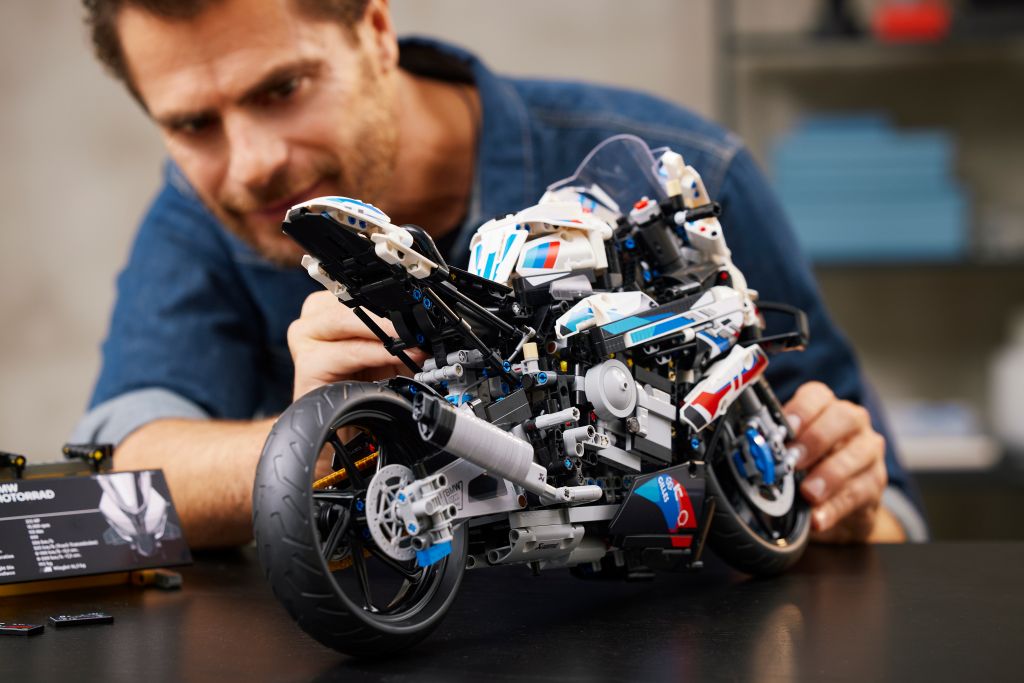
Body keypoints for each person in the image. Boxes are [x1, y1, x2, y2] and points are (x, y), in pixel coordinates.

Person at [75, 0, 927, 548]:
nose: (252, 162)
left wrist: (842, 503)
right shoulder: (210, 212)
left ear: (376, 32)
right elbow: (122, 477)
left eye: (282, 89)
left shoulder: (687, 177)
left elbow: (893, 522)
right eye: (192, 125)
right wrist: (325, 438)